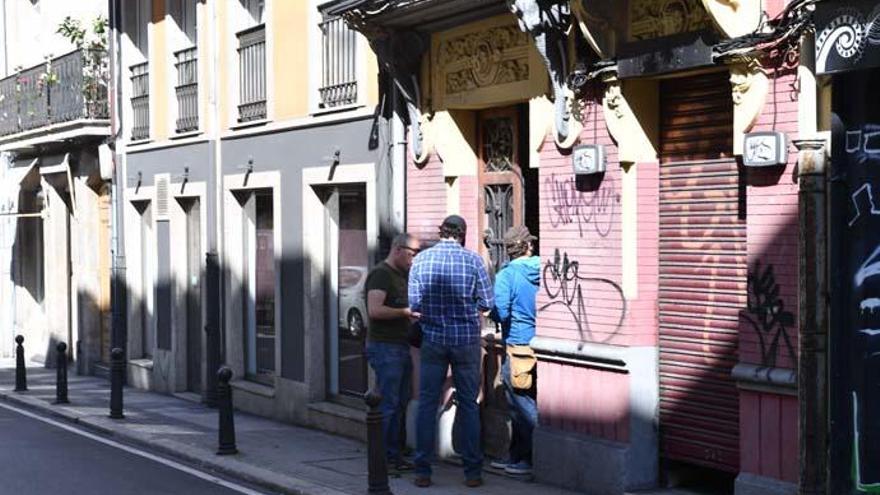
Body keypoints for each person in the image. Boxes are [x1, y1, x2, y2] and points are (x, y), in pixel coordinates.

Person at [409, 215, 494, 488]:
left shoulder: (421, 260)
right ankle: (472, 472)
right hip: (466, 341)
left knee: (427, 402)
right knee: (468, 403)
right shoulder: (473, 261)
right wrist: (468, 311)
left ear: (441, 232)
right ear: (463, 234)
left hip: (433, 339)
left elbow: (414, 304)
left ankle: (423, 469)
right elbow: (487, 301)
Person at [365, 233, 422, 472]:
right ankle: (384, 459)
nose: (414, 260)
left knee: (400, 401)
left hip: (399, 346)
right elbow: (375, 310)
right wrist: (405, 313)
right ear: (398, 249)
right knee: (389, 403)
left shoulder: (402, 275)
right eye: (411, 254)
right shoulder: (381, 274)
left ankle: (395, 454)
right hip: (384, 346)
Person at [489, 225, 540, 477]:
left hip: (518, 344)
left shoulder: (507, 275)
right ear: (528, 246)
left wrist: (492, 315)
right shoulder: (545, 268)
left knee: (520, 403)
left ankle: (531, 458)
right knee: (526, 398)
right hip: (541, 342)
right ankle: (516, 455)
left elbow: (500, 311)